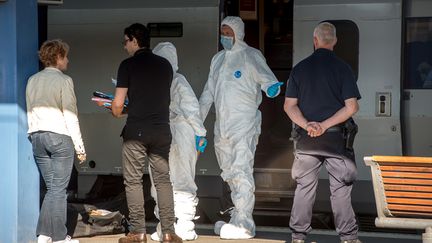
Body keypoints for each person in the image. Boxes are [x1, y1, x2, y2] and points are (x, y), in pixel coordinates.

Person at [199, 16, 283, 240]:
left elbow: (267, 79)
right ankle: (236, 217)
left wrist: (271, 88)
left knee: (241, 169)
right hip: (222, 125)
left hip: (244, 123)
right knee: (229, 172)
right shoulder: (217, 59)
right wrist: (196, 123)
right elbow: (209, 93)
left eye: (228, 32)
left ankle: (246, 222)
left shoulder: (250, 56)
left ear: (238, 33)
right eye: (222, 32)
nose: (224, 36)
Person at [284, 22, 362, 243]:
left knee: (304, 189)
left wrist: (309, 125)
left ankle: (298, 237)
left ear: (315, 41)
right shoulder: (343, 68)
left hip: (307, 141)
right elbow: (352, 107)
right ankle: (348, 238)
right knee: (340, 190)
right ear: (335, 41)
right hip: (337, 141)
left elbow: (289, 106)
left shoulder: (299, 69)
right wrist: (325, 126)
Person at [111, 23, 182, 243]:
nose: (124, 46)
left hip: (136, 132)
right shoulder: (165, 66)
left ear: (134, 40)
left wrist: (114, 109)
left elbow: (117, 105)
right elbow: (155, 98)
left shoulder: (127, 65)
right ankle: (169, 232)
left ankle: (138, 232)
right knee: (163, 181)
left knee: (133, 181)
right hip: (162, 130)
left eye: (125, 41)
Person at [26, 39, 86, 243]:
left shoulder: (32, 80)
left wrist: (33, 134)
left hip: (37, 137)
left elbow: (30, 110)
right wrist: (80, 147)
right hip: (59, 137)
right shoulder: (64, 80)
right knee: (59, 190)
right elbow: (70, 114)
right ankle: (60, 237)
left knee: (52, 188)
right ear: (58, 57)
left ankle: (44, 235)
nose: (67, 60)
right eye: (66, 56)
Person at [149, 42, 207, 241]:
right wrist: (200, 133)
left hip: (170, 132)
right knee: (176, 179)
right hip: (179, 133)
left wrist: (200, 132)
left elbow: (190, 109)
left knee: (166, 179)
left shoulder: (167, 80)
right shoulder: (177, 80)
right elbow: (192, 109)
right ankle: (175, 226)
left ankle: (175, 225)